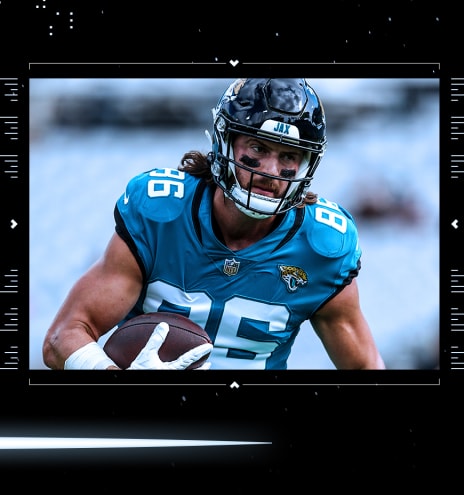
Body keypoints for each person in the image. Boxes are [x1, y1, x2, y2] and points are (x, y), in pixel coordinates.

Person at [42, 78, 385, 370]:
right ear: (225, 142)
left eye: (288, 156)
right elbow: (63, 336)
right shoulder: (163, 214)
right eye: (257, 147)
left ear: (307, 164)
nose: (269, 170)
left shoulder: (322, 245)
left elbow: (366, 368)